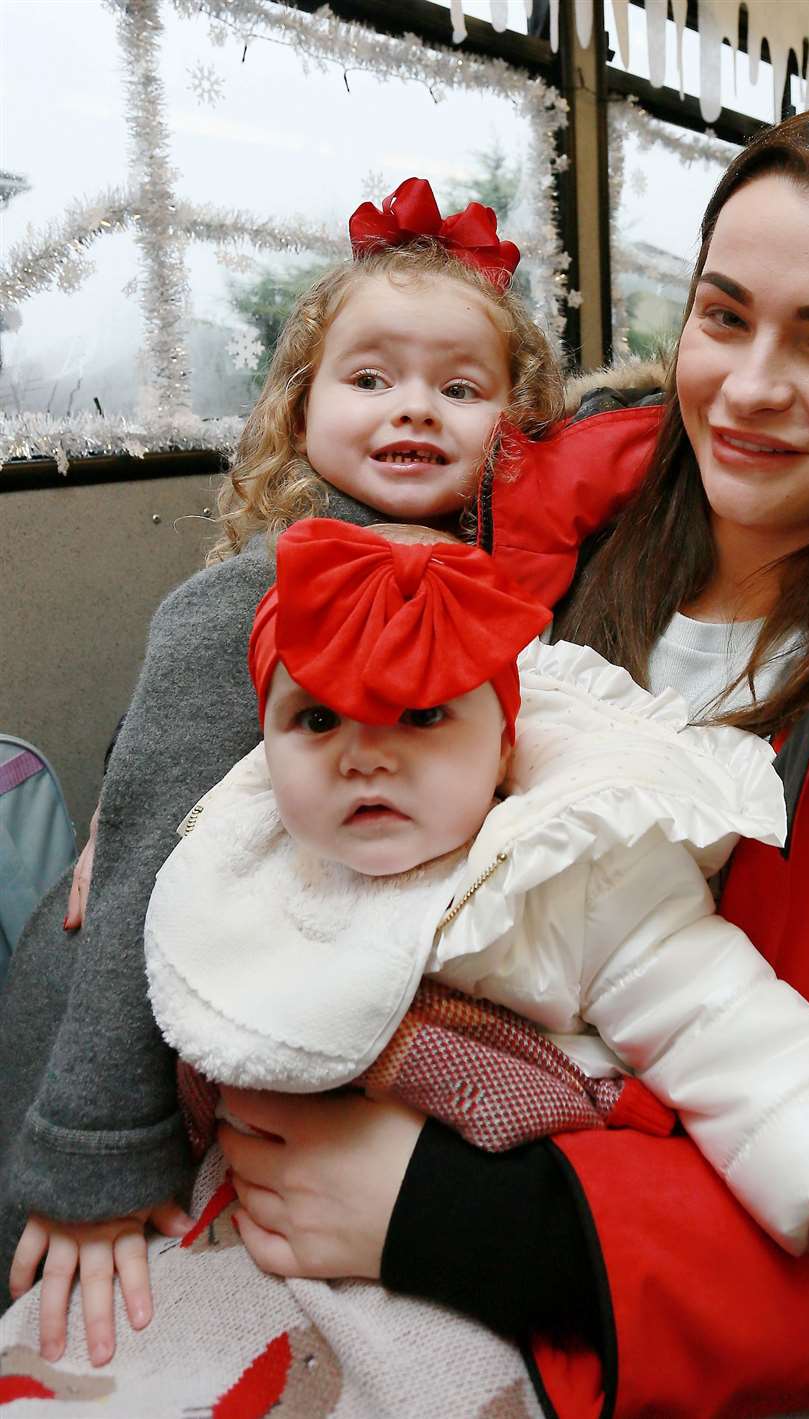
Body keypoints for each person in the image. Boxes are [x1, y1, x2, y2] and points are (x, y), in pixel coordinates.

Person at [200, 100, 809, 1419]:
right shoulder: (534, 516)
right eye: (723, 317)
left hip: (642, 1301)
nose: (749, 385)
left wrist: (448, 1211)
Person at [0, 177, 656, 1367]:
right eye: (371, 380)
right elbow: (145, 853)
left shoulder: (512, 589)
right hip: (106, 1021)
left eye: (460, 388)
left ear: (517, 424)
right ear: (303, 407)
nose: (415, 410)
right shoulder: (252, 596)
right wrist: (99, 1145)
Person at [143, 517, 809, 1324]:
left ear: (505, 745)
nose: (365, 752)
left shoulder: (568, 867)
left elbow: (710, 1009)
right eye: (316, 719)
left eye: (423, 714)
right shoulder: (257, 849)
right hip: (271, 1210)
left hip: (500, 1225)